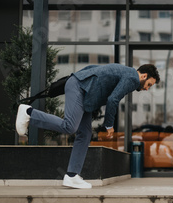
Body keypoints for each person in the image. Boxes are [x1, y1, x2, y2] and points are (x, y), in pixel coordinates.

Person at [15, 63, 160, 189]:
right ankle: (29, 112)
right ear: (144, 76)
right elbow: (113, 99)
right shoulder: (133, 78)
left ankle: (72, 175)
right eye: (149, 85)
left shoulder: (125, 71)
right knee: (70, 126)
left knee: (84, 135)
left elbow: (95, 69)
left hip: (84, 92)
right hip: (80, 88)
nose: (147, 89)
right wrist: (109, 124)